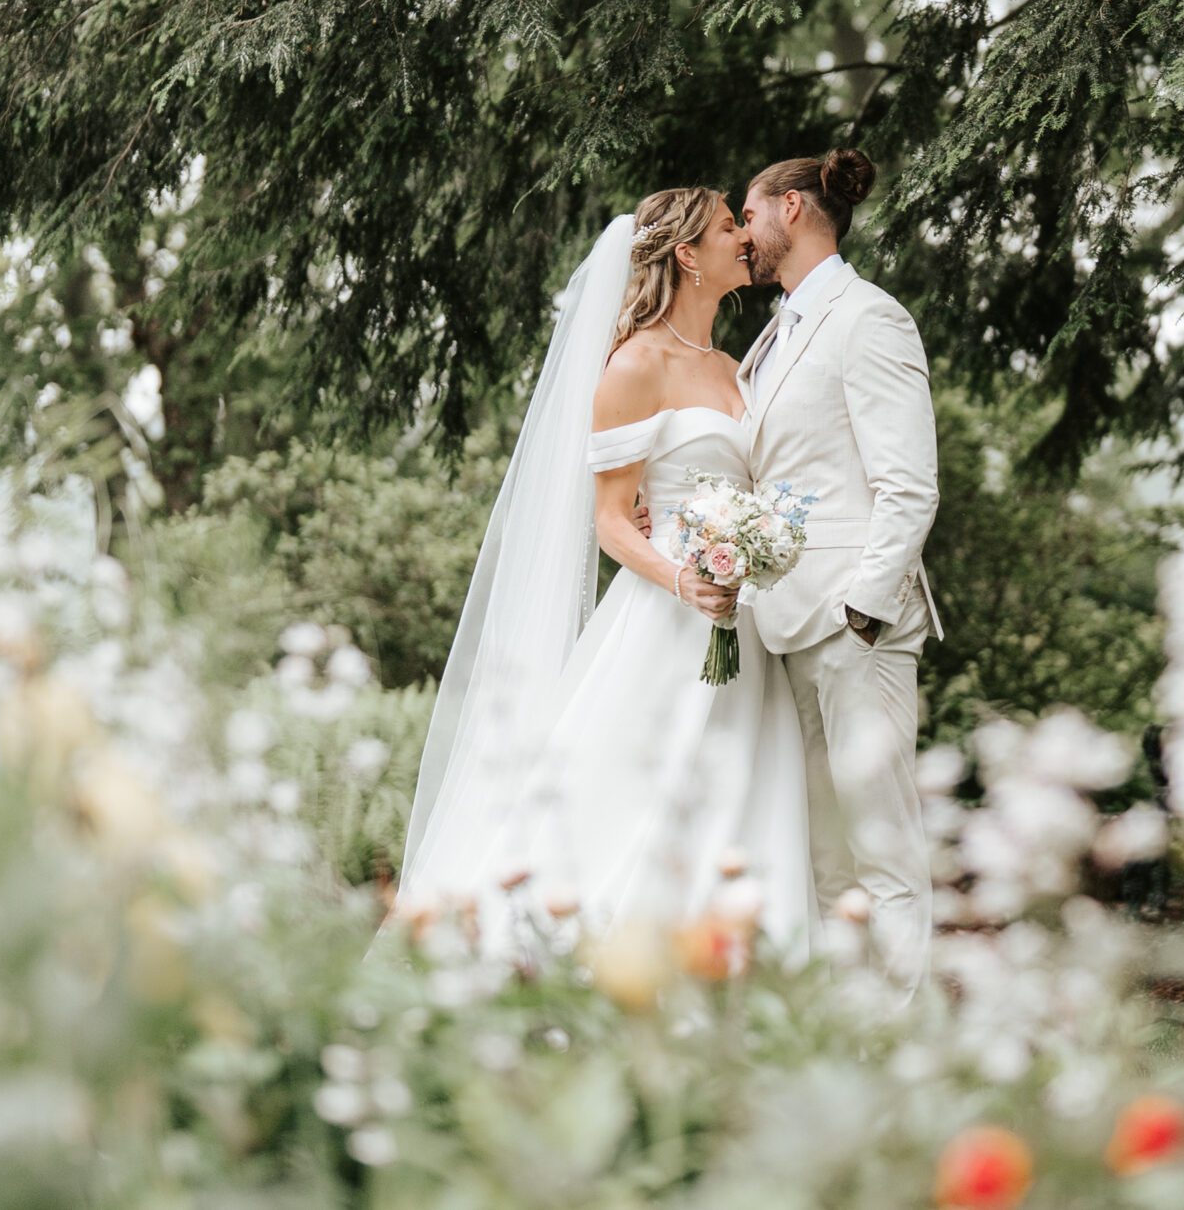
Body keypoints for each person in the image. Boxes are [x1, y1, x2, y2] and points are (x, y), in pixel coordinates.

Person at [391, 190, 813, 961]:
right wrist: (686, 579)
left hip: (746, 619)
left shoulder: (734, 363)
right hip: (671, 614)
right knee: (640, 796)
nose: (744, 240)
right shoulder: (634, 363)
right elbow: (613, 521)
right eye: (729, 228)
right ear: (687, 253)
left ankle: (738, 967)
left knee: (744, 790)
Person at [733, 148, 942, 998]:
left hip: (857, 627)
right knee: (825, 857)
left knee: (883, 849)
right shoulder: (774, 332)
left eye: (747, 216)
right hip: (786, 623)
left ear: (790, 208)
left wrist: (863, 608)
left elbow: (908, 482)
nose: (741, 235)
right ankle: (850, 1041)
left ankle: (905, 1042)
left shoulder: (869, 318)